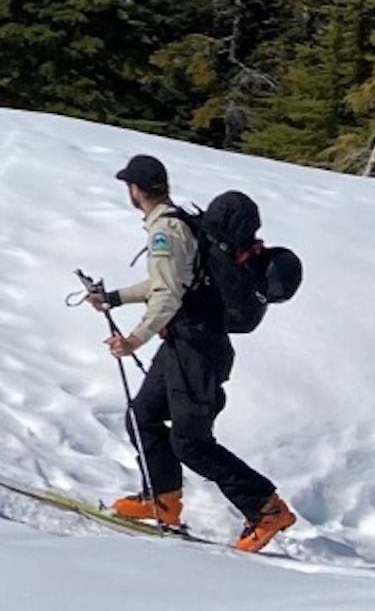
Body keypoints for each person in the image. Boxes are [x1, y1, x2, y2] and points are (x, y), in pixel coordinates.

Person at [87, 153, 297, 553]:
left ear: (134, 190)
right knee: (143, 414)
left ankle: (267, 509)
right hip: (187, 343)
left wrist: (133, 339)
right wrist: (113, 298)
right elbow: (168, 282)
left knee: (191, 442)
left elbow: (167, 293)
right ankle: (161, 500)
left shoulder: (166, 231)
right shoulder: (179, 224)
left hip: (198, 349)